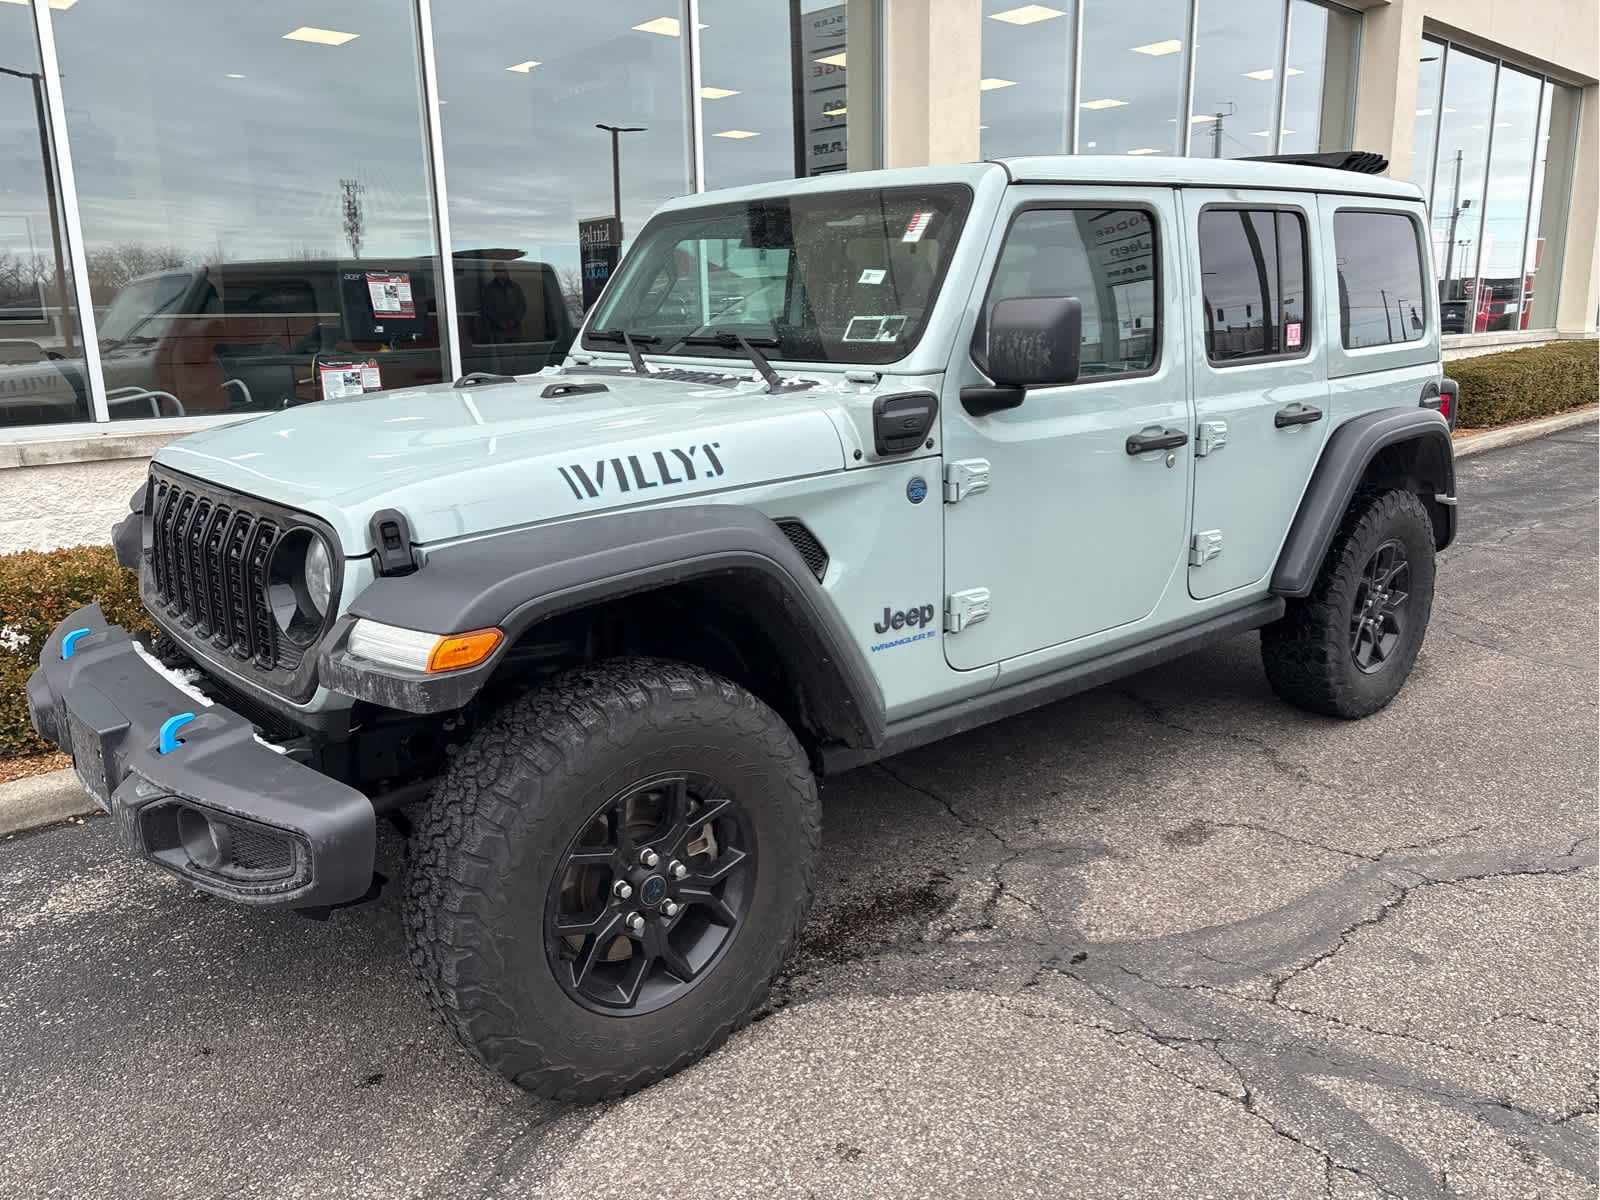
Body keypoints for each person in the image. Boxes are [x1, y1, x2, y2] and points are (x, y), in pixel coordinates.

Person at [479, 263, 527, 343]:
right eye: (499, 271)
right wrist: (498, 322)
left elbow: (522, 306)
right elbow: (487, 308)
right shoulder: (489, 288)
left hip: (515, 329)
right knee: (501, 349)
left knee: (517, 349)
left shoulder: (515, 287)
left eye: (504, 270)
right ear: (495, 272)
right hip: (498, 330)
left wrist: (515, 320)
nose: (502, 272)